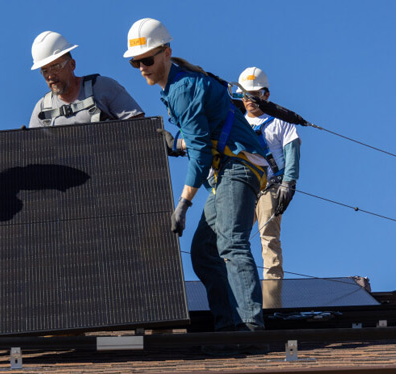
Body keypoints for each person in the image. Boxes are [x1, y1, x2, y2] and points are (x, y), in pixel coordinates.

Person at [123, 18, 269, 335]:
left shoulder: (182, 89)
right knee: (204, 253)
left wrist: (183, 204)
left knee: (231, 244)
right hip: (229, 171)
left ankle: (250, 328)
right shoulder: (179, 88)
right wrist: (175, 142)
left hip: (238, 167)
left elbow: (202, 152)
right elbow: (201, 134)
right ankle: (228, 326)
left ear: (165, 53)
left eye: (147, 59)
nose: (142, 67)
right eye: (136, 62)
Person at [238, 67, 301, 280]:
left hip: (272, 186)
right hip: (243, 186)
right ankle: (236, 287)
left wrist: (289, 183)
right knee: (234, 238)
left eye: (254, 95)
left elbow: (292, 152)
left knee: (269, 237)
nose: (249, 99)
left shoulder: (281, 122)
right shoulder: (236, 123)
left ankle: (273, 290)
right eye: (245, 95)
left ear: (266, 95)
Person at [29, 31, 144, 127]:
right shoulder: (42, 109)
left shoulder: (103, 87)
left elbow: (140, 128)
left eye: (55, 67)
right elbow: (32, 151)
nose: (50, 76)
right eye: (45, 71)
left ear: (72, 65)